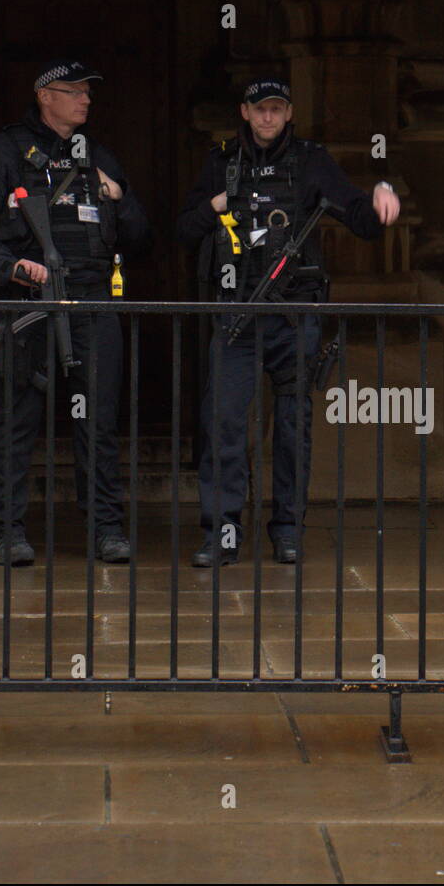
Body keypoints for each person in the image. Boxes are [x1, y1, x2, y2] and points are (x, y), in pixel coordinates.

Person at [176, 78, 400, 566]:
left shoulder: (310, 161)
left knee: (293, 427)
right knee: (224, 422)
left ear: (289, 113)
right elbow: (184, 229)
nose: (267, 118)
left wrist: (382, 198)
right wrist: (216, 206)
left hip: (293, 314)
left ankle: (288, 529)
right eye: (260, 110)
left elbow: (357, 216)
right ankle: (223, 531)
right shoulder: (222, 162)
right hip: (236, 314)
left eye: (276, 110)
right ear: (245, 111)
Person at [0, 59, 151, 565]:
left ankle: (106, 529)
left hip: (91, 299)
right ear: (46, 95)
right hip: (29, 303)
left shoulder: (98, 155)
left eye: (89, 92)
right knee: (16, 416)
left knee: (99, 420)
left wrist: (120, 195)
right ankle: (7, 532)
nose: (86, 100)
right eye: (75, 91)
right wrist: (10, 267)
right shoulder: (5, 151)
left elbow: (140, 237)